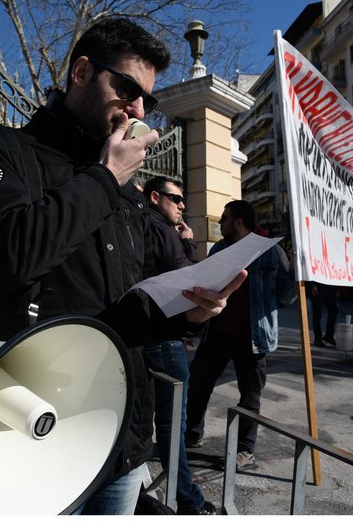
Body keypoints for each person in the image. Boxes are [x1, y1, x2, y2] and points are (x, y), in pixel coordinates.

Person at [0, 17, 245, 515]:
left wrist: (188, 314)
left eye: (147, 102)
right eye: (128, 89)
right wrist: (106, 175)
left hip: (122, 438)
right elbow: (10, 260)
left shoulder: (128, 193)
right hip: (32, 434)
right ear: (82, 72)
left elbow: (123, 311)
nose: (137, 110)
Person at [185, 200, 290, 471]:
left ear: (239, 222)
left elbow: (285, 297)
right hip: (217, 333)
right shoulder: (220, 249)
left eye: (225, 218)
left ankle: (245, 450)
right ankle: (192, 435)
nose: (220, 223)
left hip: (252, 338)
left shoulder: (271, 252)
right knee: (198, 384)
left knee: (250, 396)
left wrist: (297, 274)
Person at [141, 176, 215, 515]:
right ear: (156, 197)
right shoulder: (162, 229)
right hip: (164, 340)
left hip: (150, 336)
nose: (183, 205)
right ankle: (187, 499)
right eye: (176, 199)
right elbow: (190, 279)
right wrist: (188, 243)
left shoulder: (142, 223)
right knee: (173, 427)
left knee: (159, 422)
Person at [309, 282, 339, 347]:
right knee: (317, 312)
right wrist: (312, 286)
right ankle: (318, 338)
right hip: (317, 285)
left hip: (328, 286)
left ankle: (329, 335)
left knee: (334, 309)